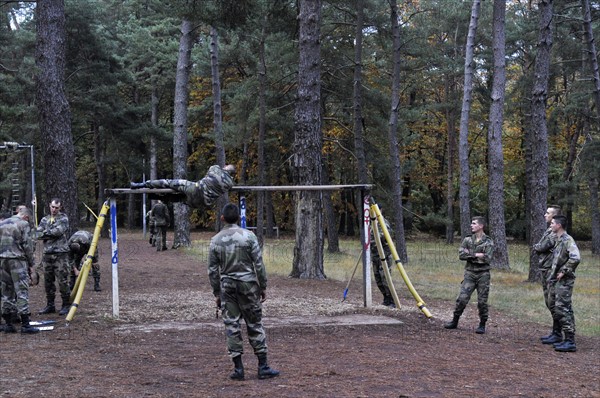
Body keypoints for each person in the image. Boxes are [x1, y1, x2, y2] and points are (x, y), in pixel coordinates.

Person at [208, 203, 279, 381]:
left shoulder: (215, 240)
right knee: (254, 323)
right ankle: (263, 366)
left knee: (232, 326)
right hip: (248, 285)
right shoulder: (249, 237)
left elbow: (212, 270)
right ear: (238, 218)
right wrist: (263, 286)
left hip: (228, 287)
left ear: (222, 218)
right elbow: (259, 264)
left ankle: (238, 369)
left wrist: (217, 293)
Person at [444, 216, 494, 334]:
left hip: (483, 274)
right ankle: (455, 321)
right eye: (472, 223)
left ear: (481, 226)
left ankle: (482, 324)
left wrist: (470, 255)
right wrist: (478, 255)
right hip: (470, 273)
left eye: (474, 223)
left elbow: (487, 258)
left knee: (482, 301)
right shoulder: (467, 240)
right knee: (462, 299)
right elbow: (461, 255)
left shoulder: (488, 241)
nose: (471, 225)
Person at [0, 206, 39, 334]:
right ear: (26, 217)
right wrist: (31, 264)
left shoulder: (3, 223)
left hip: (2, 260)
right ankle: (25, 324)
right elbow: (27, 245)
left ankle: (8, 324)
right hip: (17, 260)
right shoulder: (24, 224)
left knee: (6, 291)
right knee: (22, 290)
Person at [546, 215, 581, 352]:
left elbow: (576, 258)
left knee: (563, 308)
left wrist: (564, 271)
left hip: (565, 281)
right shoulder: (558, 240)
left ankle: (570, 341)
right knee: (556, 306)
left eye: (553, 223)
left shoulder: (567, 240)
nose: (551, 225)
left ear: (559, 225)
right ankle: (558, 335)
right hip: (556, 280)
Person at [130, 164, 236, 209]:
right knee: (179, 198)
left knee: (169, 183)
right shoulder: (230, 183)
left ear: (226, 168)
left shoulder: (216, 169)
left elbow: (212, 170)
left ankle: (141, 184)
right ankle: (157, 197)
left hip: (196, 189)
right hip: (202, 203)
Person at [532, 205, 562, 344]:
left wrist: (538, 247)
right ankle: (555, 331)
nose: (545, 215)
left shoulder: (554, 233)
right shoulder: (549, 231)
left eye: (548, 213)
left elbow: (541, 247)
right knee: (549, 302)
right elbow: (539, 246)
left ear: (554, 217)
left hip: (552, 270)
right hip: (545, 269)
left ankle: (558, 333)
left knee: (553, 302)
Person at [36, 198, 71, 316]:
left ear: (60, 208)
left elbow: (58, 232)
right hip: (47, 254)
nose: (54, 209)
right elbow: (37, 234)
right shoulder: (44, 219)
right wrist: (45, 233)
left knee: (63, 280)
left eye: (56, 207)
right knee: (48, 281)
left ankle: (66, 304)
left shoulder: (63, 218)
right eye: (52, 207)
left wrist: (45, 233)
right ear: (49, 206)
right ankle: (50, 305)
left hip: (60, 254)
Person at [370, 218, 395, 307]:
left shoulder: (383, 222)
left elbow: (386, 235)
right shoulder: (371, 223)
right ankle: (386, 298)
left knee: (385, 277)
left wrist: (376, 237)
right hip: (375, 255)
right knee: (378, 278)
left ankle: (392, 299)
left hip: (384, 254)